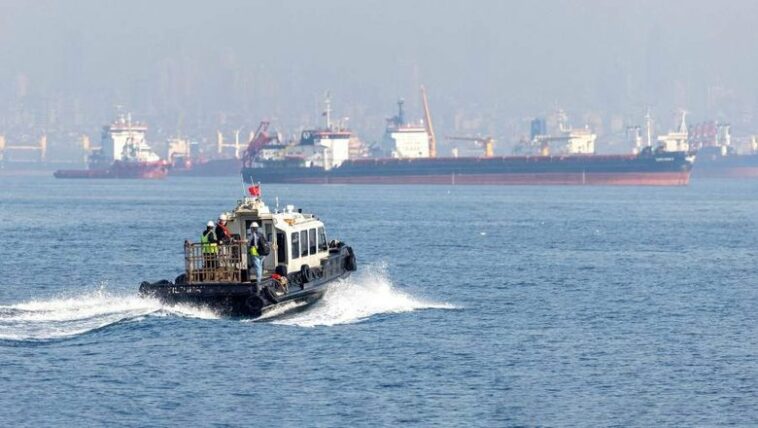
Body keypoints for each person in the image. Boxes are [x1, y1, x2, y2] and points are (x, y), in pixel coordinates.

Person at [247, 222, 268, 287]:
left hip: (255, 253)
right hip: (263, 253)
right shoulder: (261, 234)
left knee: (257, 267)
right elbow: (266, 242)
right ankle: (260, 278)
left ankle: (259, 282)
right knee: (260, 266)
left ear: (252, 228)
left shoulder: (252, 235)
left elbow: (249, 243)